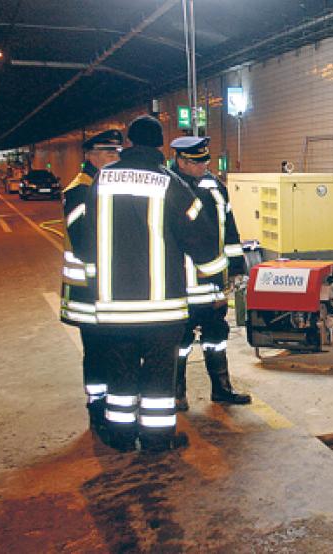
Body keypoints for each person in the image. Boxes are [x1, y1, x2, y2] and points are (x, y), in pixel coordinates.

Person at [70, 116, 226, 452]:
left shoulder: (101, 181)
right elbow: (199, 237)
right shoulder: (169, 183)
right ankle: (157, 439)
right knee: (158, 375)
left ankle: (121, 436)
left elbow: (86, 237)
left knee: (121, 374)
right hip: (161, 309)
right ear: (159, 145)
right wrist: (217, 273)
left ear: (128, 143)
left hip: (113, 308)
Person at [169, 136, 251, 410]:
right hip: (178, 286)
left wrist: (237, 267)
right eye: (198, 162)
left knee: (216, 337)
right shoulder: (168, 187)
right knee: (179, 343)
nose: (205, 166)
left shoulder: (216, 187)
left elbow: (229, 229)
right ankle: (177, 393)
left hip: (212, 284)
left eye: (206, 160)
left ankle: (222, 389)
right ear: (181, 161)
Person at [59, 129, 122, 433]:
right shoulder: (81, 189)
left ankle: (109, 400)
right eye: (109, 153)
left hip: (104, 289)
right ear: (91, 155)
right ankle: (97, 405)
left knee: (111, 347)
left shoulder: (101, 185)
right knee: (96, 350)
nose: (115, 158)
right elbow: (84, 243)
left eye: (117, 153)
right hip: (86, 291)